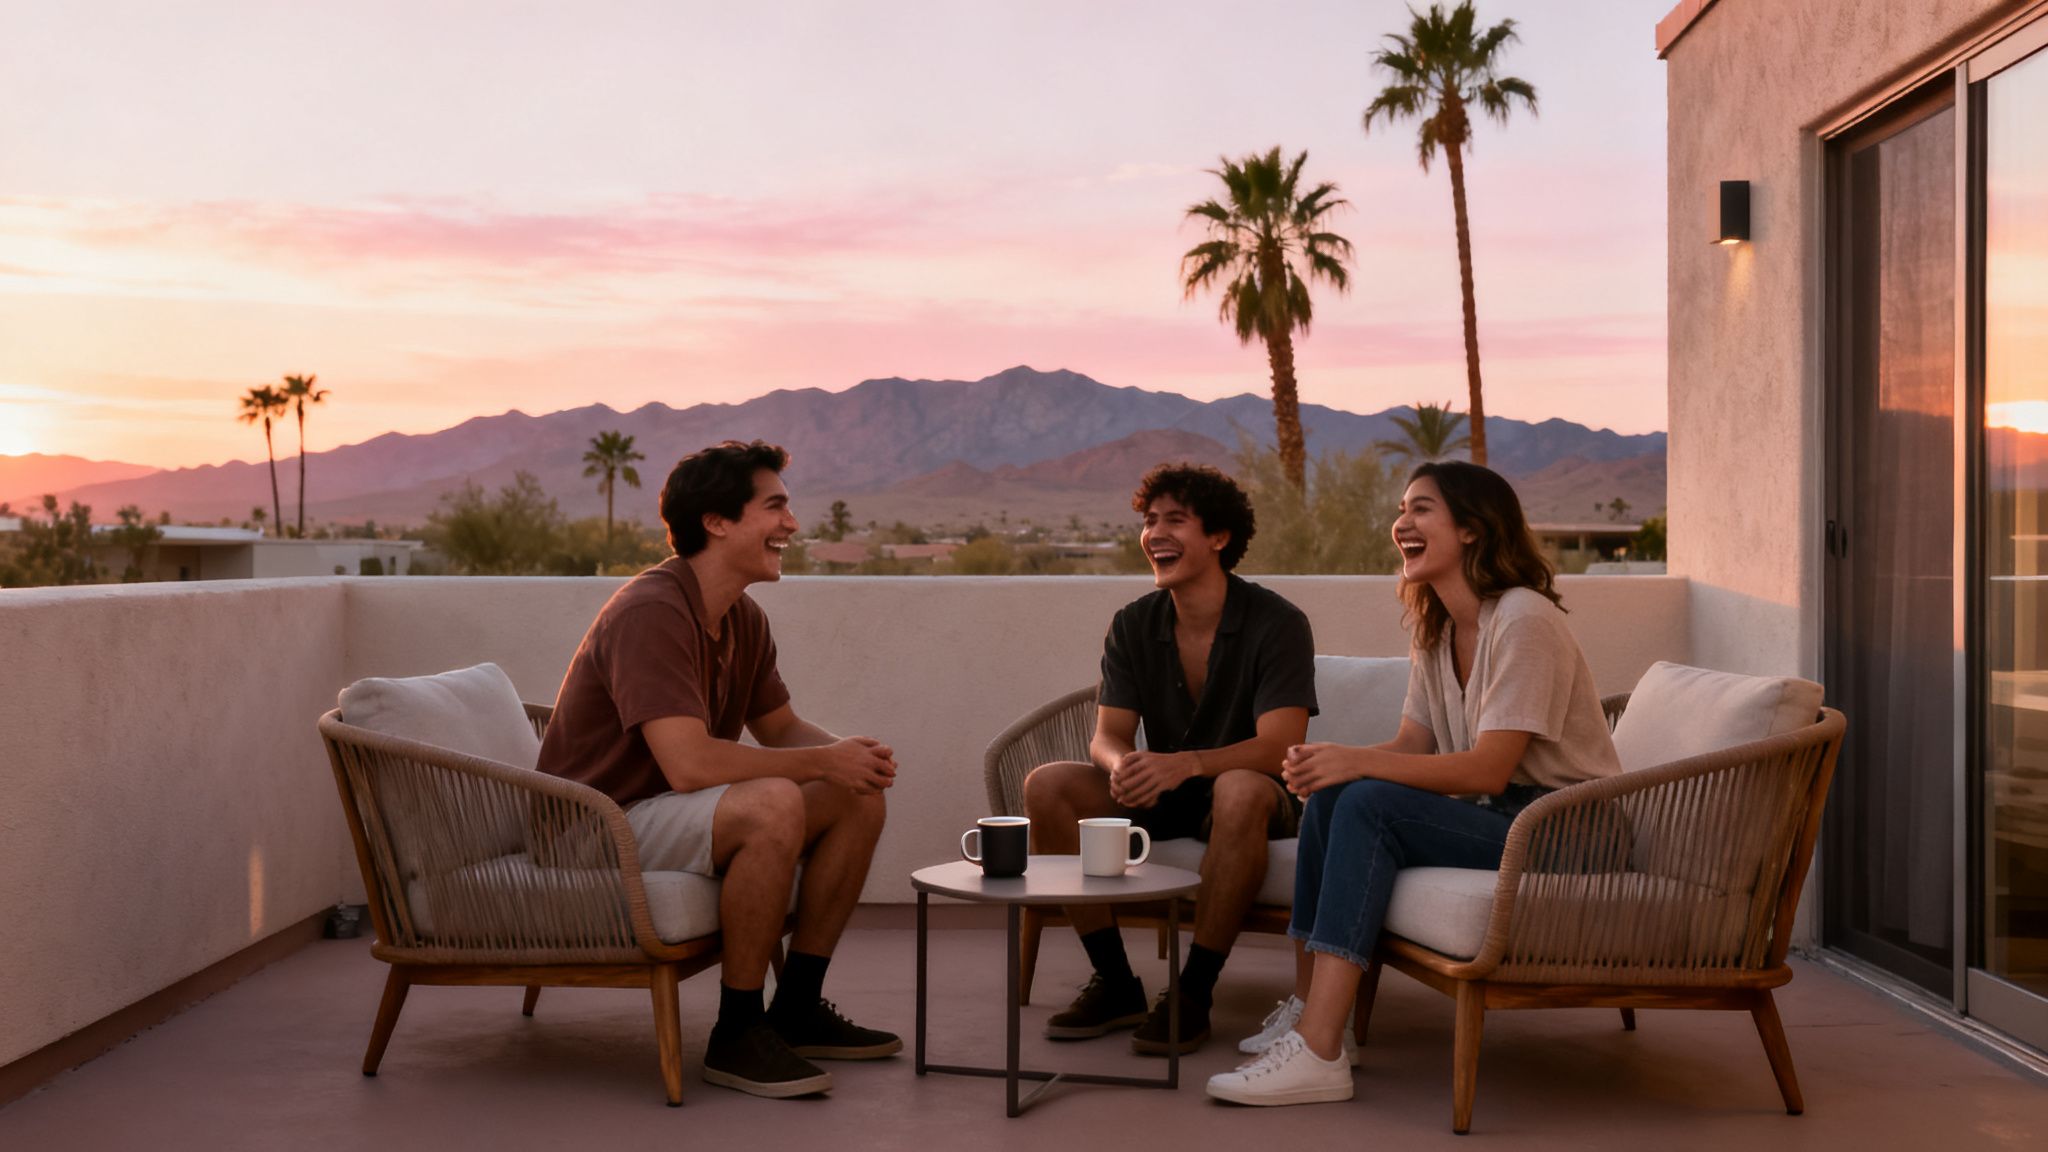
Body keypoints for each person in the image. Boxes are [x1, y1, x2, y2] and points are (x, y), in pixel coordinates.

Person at [1206, 460, 1621, 1106]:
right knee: (1336, 796)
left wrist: (1357, 765)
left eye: (1422, 508)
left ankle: (1318, 1054)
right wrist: (1332, 763)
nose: (1402, 522)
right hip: (1504, 817)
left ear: (1473, 528)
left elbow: (1487, 768)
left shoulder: (1524, 618)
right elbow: (1411, 745)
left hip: (1569, 829)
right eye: (1401, 509)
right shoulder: (1437, 628)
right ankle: (1318, 1016)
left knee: (1368, 801)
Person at [537, 440, 899, 1100]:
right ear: (717, 521)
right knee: (772, 802)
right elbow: (689, 763)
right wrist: (823, 761)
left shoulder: (742, 619)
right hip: (592, 827)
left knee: (855, 797)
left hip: (657, 814)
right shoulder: (652, 611)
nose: (792, 524)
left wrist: (853, 759)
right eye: (775, 507)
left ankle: (797, 1007)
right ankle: (737, 1032)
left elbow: (780, 728)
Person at [1024, 463, 1316, 1055]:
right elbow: (1108, 735)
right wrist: (1121, 766)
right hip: (1167, 792)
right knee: (1048, 785)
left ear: (1219, 537)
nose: (1155, 533)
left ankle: (1193, 992)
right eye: (1149, 520)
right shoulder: (1133, 623)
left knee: (1238, 787)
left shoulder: (1278, 622)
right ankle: (1115, 982)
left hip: (1254, 794)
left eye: (1175, 520)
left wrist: (1185, 764)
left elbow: (1279, 746)